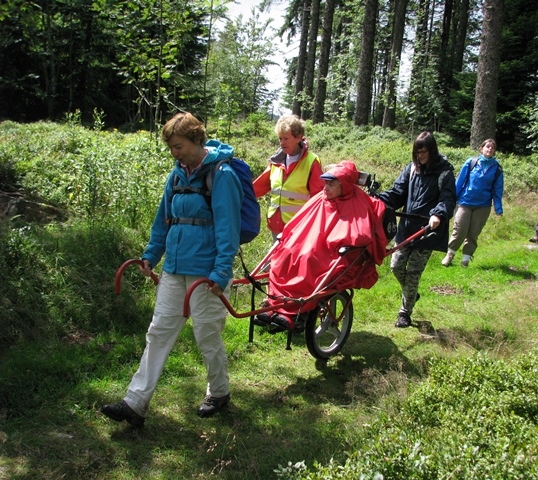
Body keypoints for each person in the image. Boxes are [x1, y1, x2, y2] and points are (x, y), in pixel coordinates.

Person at [101, 112, 243, 427]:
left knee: (207, 336)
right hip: (174, 270)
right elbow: (163, 219)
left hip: (206, 275)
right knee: (158, 333)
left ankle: (219, 393)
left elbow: (228, 231)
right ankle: (135, 403)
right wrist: (152, 254)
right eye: (171, 147)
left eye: (178, 146)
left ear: (195, 140)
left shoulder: (222, 175)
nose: (174, 152)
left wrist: (221, 274)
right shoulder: (176, 175)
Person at [255, 161, 389, 331]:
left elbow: (359, 233)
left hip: (332, 250)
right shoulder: (321, 198)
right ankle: (275, 304)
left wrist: (337, 239)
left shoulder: (356, 202)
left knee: (307, 259)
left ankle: (296, 313)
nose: (326, 187)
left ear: (344, 185)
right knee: (285, 254)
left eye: (331, 184)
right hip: (310, 243)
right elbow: (299, 222)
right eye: (325, 183)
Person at [377, 131, 456, 328]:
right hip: (406, 228)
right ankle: (411, 294)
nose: (419, 156)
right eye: (417, 152)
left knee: (413, 273)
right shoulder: (411, 169)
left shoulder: (444, 172)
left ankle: (405, 313)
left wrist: (438, 214)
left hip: (427, 232)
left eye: (423, 152)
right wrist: (377, 199)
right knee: (395, 266)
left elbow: (448, 199)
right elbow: (397, 193)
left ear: (432, 151)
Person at [253, 115, 324, 240]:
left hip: (299, 227)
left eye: (286, 138)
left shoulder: (311, 162)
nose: (282, 143)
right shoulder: (276, 161)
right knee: (275, 259)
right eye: (280, 138)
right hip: (275, 224)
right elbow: (257, 188)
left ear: (298, 137)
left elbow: (318, 198)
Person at [442, 138, 504, 268]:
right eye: (487, 147)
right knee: (459, 230)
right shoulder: (471, 162)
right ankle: (449, 255)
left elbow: (498, 189)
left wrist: (498, 208)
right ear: (481, 149)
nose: (490, 149)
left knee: (473, 233)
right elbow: (460, 182)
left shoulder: (497, 168)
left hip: (483, 206)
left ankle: (465, 260)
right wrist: (452, 198)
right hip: (465, 202)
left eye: (492, 148)